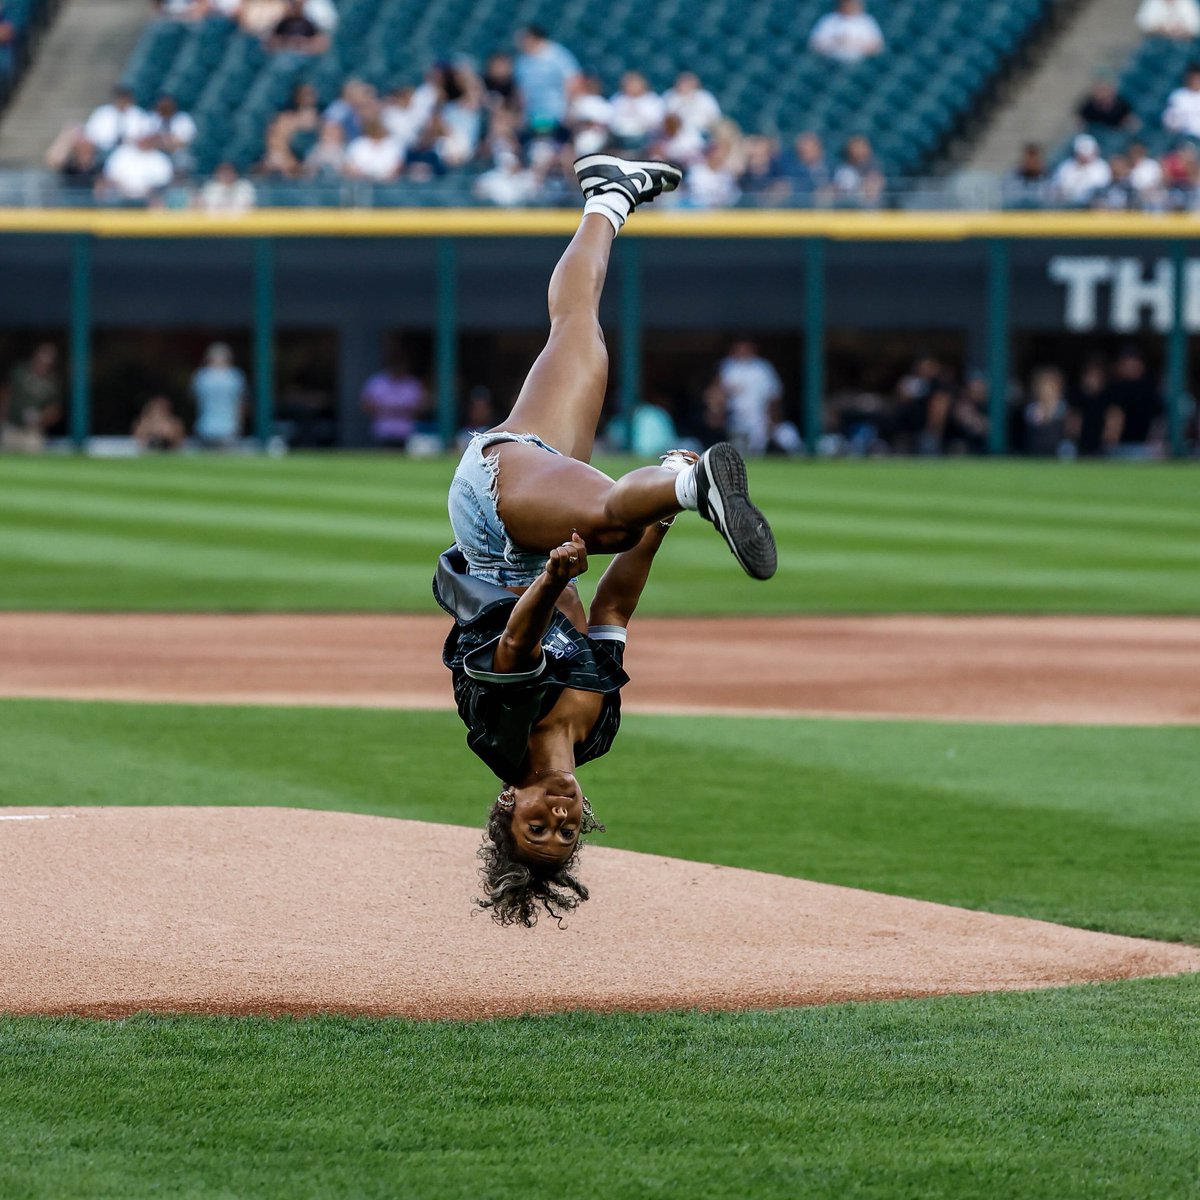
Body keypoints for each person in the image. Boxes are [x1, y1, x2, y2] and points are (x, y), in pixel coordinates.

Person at [435, 153, 776, 927]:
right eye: (565, 831)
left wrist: (554, 580)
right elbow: (615, 606)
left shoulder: (500, 739)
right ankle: (609, 195)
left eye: (535, 826)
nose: (556, 814)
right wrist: (651, 537)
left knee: (610, 518)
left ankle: (690, 484)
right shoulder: (600, 730)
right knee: (580, 333)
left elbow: (517, 648)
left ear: (507, 804)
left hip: (497, 529)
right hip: (544, 510)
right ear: (584, 821)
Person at [711, 340, 784, 456]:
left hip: (758, 417)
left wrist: (773, 420)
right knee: (737, 451)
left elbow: (773, 396)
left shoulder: (762, 368)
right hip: (735, 417)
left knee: (756, 450)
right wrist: (717, 412)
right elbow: (717, 392)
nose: (742, 351)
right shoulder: (728, 366)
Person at [513, 25, 580, 137]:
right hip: (533, 114)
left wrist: (569, 109)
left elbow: (572, 81)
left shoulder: (557, 55)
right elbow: (521, 90)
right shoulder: (522, 61)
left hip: (557, 112)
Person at [1, 343, 62, 452]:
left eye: (48, 361)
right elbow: (5, 395)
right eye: (41, 358)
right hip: (11, 426)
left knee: (33, 460)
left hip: (32, 431)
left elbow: (54, 411)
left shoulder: (51, 383)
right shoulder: (19, 372)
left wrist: (40, 417)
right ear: (35, 356)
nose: (43, 363)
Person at [360, 355, 427, 448]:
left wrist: (402, 409)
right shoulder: (377, 382)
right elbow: (365, 405)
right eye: (395, 365)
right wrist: (386, 409)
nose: (397, 368)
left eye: (400, 365)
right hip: (382, 431)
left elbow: (422, 406)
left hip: (406, 432)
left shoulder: (413, 384)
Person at [191, 342, 246, 447]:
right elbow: (240, 404)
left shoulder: (202, 376)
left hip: (213, 427)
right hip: (216, 427)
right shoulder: (235, 376)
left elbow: (195, 400)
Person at [808, 0, 885, 63]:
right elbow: (814, 45)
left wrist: (855, 44)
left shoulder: (866, 21)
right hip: (831, 63)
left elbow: (877, 47)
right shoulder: (829, 20)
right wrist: (836, 42)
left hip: (859, 63)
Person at [1052, 134, 1111, 206]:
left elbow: (1101, 189)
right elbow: (1060, 187)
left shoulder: (1101, 167)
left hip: (1092, 205)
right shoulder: (1066, 167)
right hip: (1069, 204)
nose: (1085, 157)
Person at [1162, 63, 1200, 139]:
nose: (1196, 81)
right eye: (1193, 78)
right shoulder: (1178, 96)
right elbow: (1169, 121)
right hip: (1183, 139)